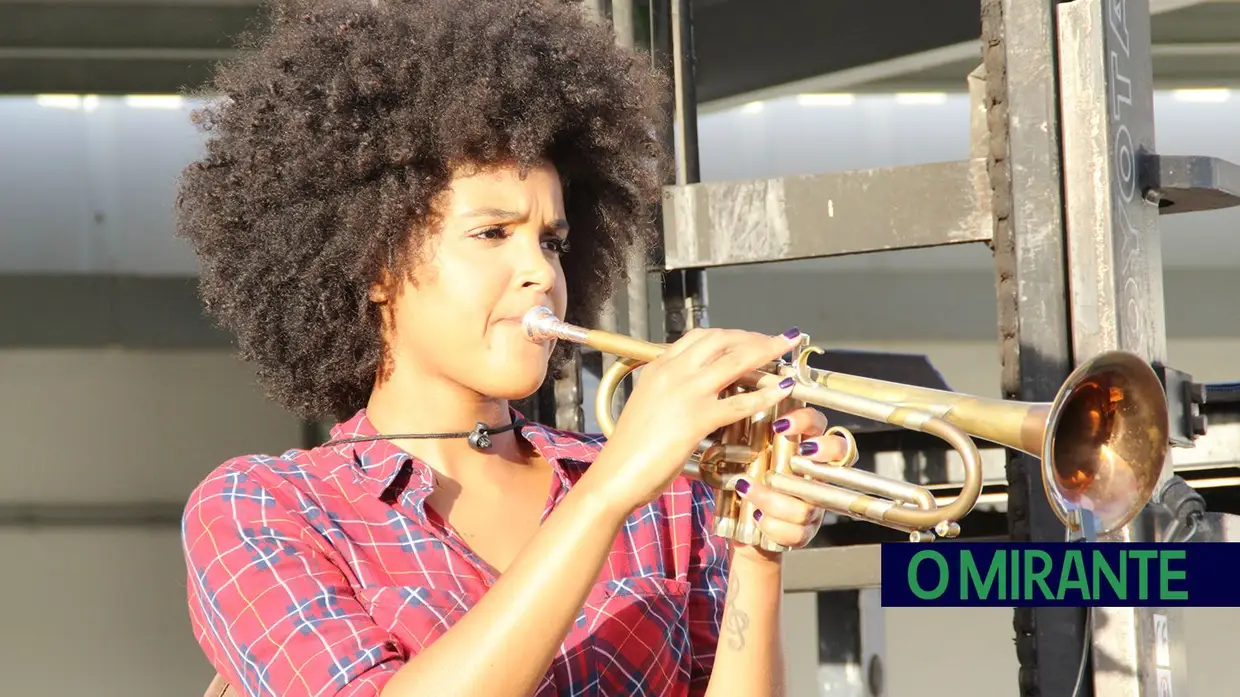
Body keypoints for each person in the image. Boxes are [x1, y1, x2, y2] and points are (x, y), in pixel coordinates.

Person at [176, 1, 851, 695]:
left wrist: (756, 549)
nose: (541, 271)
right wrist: (607, 491)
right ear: (376, 267)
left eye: (552, 241)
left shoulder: (663, 492)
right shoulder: (265, 506)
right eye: (493, 234)